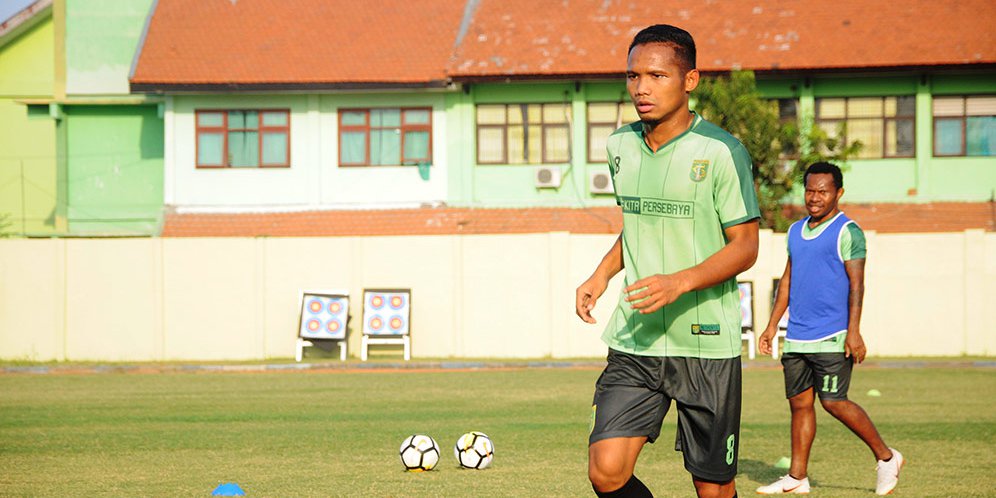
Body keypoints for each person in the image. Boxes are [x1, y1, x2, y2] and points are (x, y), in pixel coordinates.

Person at [575, 24, 760, 498]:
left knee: (712, 486)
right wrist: (601, 273)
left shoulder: (722, 151)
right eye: (633, 76)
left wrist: (680, 283)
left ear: (690, 80)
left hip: (704, 343)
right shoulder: (619, 146)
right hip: (635, 337)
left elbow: (745, 246)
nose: (641, 88)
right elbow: (637, 223)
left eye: (656, 76)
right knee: (606, 470)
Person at [756, 162, 903, 495]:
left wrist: (854, 331)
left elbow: (857, 285)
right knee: (799, 405)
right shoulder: (795, 231)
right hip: (797, 336)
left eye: (823, 191)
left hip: (832, 335)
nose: (815, 197)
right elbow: (788, 280)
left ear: (838, 193)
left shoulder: (847, 231)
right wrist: (771, 325)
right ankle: (797, 478)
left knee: (834, 401)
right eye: (810, 190)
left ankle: (886, 458)